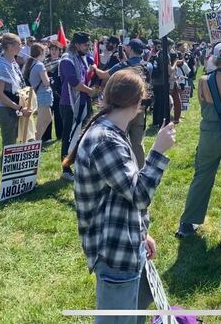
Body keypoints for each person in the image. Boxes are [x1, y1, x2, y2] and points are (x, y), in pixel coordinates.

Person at [68, 70, 176, 323]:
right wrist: (158, 151)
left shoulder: (112, 131)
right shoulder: (106, 139)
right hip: (114, 251)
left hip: (125, 243)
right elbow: (138, 194)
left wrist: (141, 233)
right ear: (139, 103)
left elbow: (120, 193)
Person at [176, 42, 221, 251]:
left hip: (209, 135)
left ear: (214, 58)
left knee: (201, 178)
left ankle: (187, 223)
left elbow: (201, 101)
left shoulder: (203, 80)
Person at [91, 38, 154, 168]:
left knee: (119, 140)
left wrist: (95, 67)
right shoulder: (148, 65)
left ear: (130, 48)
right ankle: (140, 169)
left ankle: (122, 167)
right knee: (138, 143)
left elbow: (104, 75)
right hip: (140, 107)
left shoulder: (122, 66)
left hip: (123, 108)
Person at [59, 32, 100, 181]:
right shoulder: (67, 59)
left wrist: (94, 67)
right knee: (69, 136)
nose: (88, 48)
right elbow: (74, 82)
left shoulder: (81, 57)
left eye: (89, 45)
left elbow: (93, 63)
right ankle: (66, 167)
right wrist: (91, 92)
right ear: (77, 45)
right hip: (70, 103)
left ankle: (80, 162)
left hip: (84, 102)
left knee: (84, 134)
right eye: (86, 45)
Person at [0, 33, 32, 147]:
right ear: (9, 47)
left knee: (15, 145)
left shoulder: (13, 63)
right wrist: (19, 108)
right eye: (19, 44)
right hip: (6, 110)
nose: (21, 47)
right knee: (9, 146)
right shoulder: (1, 65)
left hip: (14, 108)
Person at [22, 43, 54, 143]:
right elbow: (46, 82)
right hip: (43, 94)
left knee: (48, 119)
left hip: (38, 94)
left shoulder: (29, 63)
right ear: (41, 52)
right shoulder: (40, 65)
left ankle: (37, 140)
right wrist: (50, 80)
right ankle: (35, 142)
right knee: (41, 121)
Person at [41, 40, 64, 142]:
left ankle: (60, 134)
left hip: (58, 91)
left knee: (59, 114)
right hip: (47, 90)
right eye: (52, 49)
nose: (54, 51)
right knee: (47, 114)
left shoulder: (62, 62)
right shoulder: (44, 62)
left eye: (56, 49)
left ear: (60, 51)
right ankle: (46, 137)